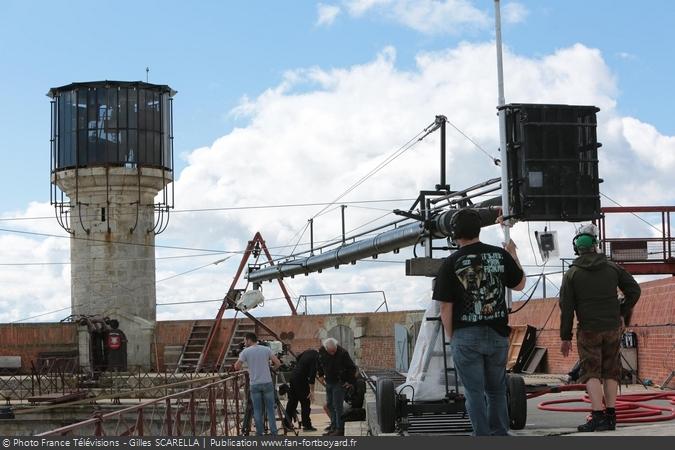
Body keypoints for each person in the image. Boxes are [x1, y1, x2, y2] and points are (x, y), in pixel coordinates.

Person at [432, 208, 526, 436]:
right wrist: (513, 255)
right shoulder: (499, 255)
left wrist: (453, 336)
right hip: (497, 333)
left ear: (454, 235)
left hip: (465, 334)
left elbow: (445, 306)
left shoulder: (451, 262)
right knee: (496, 390)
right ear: (478, 230)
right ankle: (500, 435)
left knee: (474, 393)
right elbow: (520, 284)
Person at [559, 224, 641, 432]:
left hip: (588, 330)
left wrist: (565, 337)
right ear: (596, 246)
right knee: (611, 371)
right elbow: (634, 290)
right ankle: (611, 417)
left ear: (577, 248)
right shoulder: (612, 268)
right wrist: (621, 311)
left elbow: (566, 309)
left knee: (591, 372)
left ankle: (597, 416)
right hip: (613, 327)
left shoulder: (572, 274)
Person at [234, 332, 282, 436]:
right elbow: (278, 363)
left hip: (255, 384)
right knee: (270, 409)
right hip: (267, 382)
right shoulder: (266, 349)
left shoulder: (245, 351)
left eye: (245, 340)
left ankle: (260, 433)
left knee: (257, 410)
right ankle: (274, 432)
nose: (244, 342)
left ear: (249, 340)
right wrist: (271, 370)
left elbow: (237, 367)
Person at [317, 337, 356, 436]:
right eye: (331, 352)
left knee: (337, 406)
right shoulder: (322, 351)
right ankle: (333, 427)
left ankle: (340, 429)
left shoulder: (343, 353)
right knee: (329, 404)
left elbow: (352, 368)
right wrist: (321, 375)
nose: (333, 353)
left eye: (334, 351)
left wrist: (349, 381)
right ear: (326, 349)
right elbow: (320, 363)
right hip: (329, 381)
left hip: (339, 382)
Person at [284, 349, 319, 431]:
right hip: (301, 380)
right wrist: (312, 391)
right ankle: (307, 425)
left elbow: (298, 358)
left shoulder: (308, 352)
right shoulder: (316, 358)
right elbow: (312, 376)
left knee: (292, 401)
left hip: (293, 376)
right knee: (305, 402)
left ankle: (287, 423)